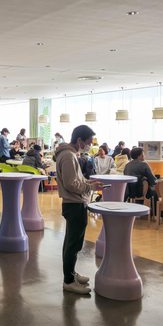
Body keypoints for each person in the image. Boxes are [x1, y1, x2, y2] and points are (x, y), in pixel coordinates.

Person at [55, 125, 104, 295]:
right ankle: (68, 280)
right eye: (88, 142)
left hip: (75, 203)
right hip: (74, 204)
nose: (89, 145)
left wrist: (90, 183)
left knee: (72, 242)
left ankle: (71, 273)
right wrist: (90, 187)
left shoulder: (69, 154)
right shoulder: (68, 156)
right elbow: (71, 184)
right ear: (79, 140)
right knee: (73, 244)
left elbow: (76, 180)